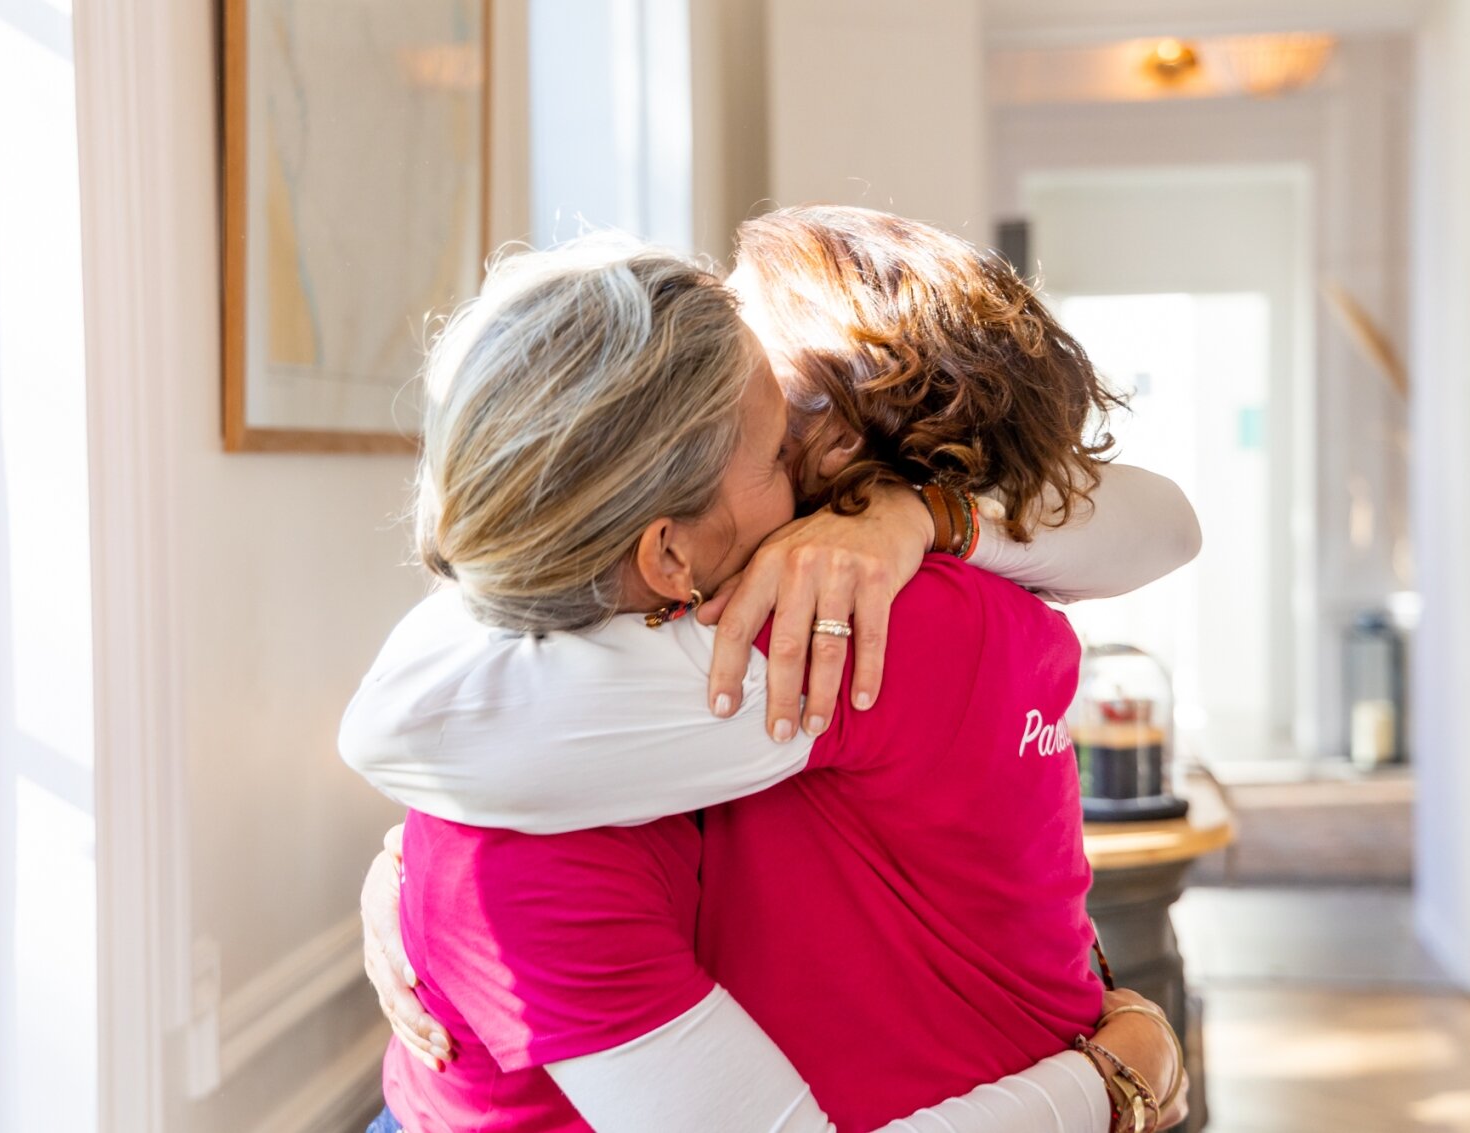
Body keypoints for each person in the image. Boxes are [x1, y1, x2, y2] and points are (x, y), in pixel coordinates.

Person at [344, 217, 1197, 1131]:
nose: (724, 338)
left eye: (769, 396)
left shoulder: (858, 617)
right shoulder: (903, 615)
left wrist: (921, 513)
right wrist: (1111, 1079)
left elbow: (416, 720)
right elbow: (425, 724)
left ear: (835, 440)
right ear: (670, 552)